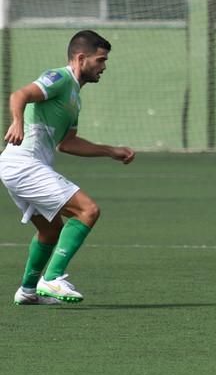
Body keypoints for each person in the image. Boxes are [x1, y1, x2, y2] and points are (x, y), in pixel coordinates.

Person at [1, 30, 135, 305]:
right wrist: (17, 121)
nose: (104, 67)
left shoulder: (75, 97)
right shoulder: (59, 78)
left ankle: (27, 291)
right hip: (24, 164)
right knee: (88, 210)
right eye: (100, 60)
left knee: (51, 231)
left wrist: (111, 151)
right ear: (81, 58)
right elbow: (20, 94)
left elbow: (68, 143)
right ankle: (52, 278)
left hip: (21, 167)